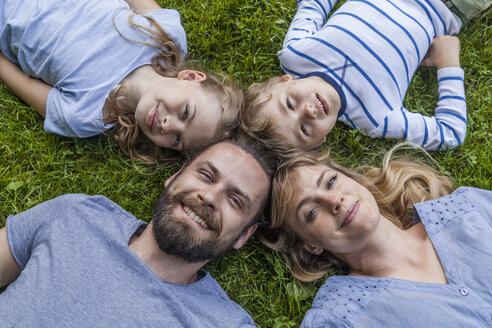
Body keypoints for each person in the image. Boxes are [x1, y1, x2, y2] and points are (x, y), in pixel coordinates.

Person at [0, 135, 277, 327]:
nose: (209, 197)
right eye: (205, 175)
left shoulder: (223, 323)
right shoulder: (77, 215)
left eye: (235, 200)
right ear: (174, 177)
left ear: (244, 235)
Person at [260, 146, 492, 327]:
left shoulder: (466, 208)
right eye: (311, 212)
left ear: (352, 180)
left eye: (331, 182)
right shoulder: (340, 316)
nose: (334, 201)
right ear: (310, 245)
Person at [0, 0, 243, 163]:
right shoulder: (166, 37)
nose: (168, 125)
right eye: (186, 112)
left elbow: (19, 79)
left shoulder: (87, 116)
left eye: (177, 140)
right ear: (191, 78)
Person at [243, 0, 490, 154]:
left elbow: (313, 6)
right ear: (319, 141)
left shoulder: (296, 55)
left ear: (283, 80)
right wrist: (448, 63)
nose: (307, 111)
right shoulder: (376, 119)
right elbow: (449, 133)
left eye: (289, 105)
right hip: (449, 6)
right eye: (304, 130)